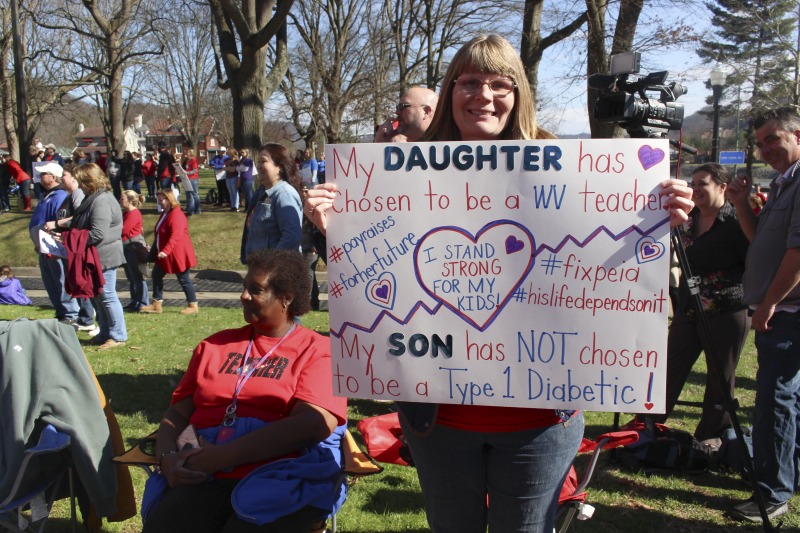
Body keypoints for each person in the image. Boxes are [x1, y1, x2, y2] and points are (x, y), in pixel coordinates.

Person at [303, 34, 695, 532]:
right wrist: (332, 226)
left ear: (519, 93)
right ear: (450, 91)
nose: (483, 95)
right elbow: (377, 263)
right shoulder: (398, 173)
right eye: (469, 82)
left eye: (499, 83)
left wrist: (657, 216)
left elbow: (606, 252)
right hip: (437, 419)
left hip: (539, 422)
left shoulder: (569, 165)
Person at [140, 248, 347, 533]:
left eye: (256, 289)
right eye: (244, 287)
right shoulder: (213, 346)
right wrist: (167, 461)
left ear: (286, 298)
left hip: (276, 477)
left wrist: (221, 457)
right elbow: (176, 413)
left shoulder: (317, 351)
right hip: (202, 475)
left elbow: (312, 423)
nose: (244, 296)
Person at [726, 106, 800, 523]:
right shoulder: (783, 182)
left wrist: (770, 302)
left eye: (773, 138)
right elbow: (761, 243)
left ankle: (773, 492)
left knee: (776, 401)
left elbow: (797, 254)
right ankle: (785, 477)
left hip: (787, 311)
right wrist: (740, 205)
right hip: (780, 310)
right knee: (785, 398)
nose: (765, 148)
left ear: (798, 136)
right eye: (760, 142)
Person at [650, 163, 750, 447]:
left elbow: (751, 263)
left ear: (722, 186)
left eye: (702, 183)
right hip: (689, 307)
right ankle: (648, 423)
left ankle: (711, 435)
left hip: (727, 309)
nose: (695, 190)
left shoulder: (735, 222)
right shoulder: (687, 218)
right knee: (670, 366)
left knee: (720, 376)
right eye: (692, 184)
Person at [67, 163, 129, 350]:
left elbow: (97, 233)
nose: (78, 184)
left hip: (104, 255)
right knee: (97, 296)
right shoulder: (93, 198)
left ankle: (118, 335)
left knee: (107, 295)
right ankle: (105, 332)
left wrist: (70, 240)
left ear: (89, 180)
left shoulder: (102, 200)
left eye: (80, 181)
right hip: (94, 255)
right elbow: (82, 224)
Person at [29, 163, 94, 331]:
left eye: (43, 174)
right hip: (43, 246)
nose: (40, 177)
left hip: (54, 245)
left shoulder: (59, 196)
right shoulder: (46, 195)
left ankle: (70, 313)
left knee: (61, 279)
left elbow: (67, 220)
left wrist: (51, 240)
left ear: (53, 177)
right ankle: (61, 312)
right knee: (50, 280)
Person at [139, 188, 200, 315]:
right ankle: (156, 304)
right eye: (159, 200)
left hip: (177, 253)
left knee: (183, 279)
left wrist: (165, 251)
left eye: (162, 200)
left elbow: (175, 235)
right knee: (156, 275)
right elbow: (160, 234)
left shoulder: (177, 214)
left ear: (169, 199)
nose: (160, 202)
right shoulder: (166, 213)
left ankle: (193, 305)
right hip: (165, 254)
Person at [240, 143, 303, 264]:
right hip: (259, 268)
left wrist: (271, 266)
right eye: (258, 161)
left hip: (277, 272)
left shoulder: (284, 195)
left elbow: (291, 237)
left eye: (263, 161)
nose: (258, 166)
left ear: (280, 166)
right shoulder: (261, 192)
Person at [120, 190, 150, 312]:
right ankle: (135, 301)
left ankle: (143, 302)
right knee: (131, 277)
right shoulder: (126, 213)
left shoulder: (134, 213)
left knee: (137, 276)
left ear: (130, 200)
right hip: (126, 247)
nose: (120, 201)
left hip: (134, 248)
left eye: (122, 198)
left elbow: (123, 230)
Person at [374, 86, 438, 143]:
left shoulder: (445, 147)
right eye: (398, 107)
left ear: (426, 112)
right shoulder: (392, 142)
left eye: (402, 106)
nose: (397, 112)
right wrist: (380, 146)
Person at [182, 149, 201, 216]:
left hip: (193, 179)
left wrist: (187, 172)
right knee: (189, 195)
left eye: (187, 152)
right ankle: (190, 209)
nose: (186, 154)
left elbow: (194, 170)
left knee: (194, 194)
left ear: (191, 153)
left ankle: (197, 209)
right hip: (187, 179)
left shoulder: (193, 160)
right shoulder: (187, 161)